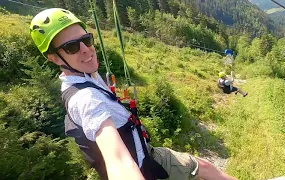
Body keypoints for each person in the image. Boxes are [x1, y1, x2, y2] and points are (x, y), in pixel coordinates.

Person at [29, 8, 239, 180]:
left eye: (87, 39)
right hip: (142, 167)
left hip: (147, 154)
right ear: (53, 58)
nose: (86, 50)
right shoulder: (85, 99)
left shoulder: (85, 77)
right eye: (72, 47)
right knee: (204, 168)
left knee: (204, 166)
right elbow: (117, 158)